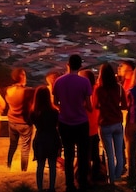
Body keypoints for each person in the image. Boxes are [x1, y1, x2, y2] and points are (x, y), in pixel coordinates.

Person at [53, 54, 92, 192]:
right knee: (82, 154)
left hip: (64, 122)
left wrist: (64, 108)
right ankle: (83, 183)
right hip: (81, 122)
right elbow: (89, 106)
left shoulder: (58, 81)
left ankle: (69, 185)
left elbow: (55, 103)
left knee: (68, 155)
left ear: (67, 64)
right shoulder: (85, 82)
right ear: (80, 66)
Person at [93, 63, 127, 185]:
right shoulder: (119, 88)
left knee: (109, 154)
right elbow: (124, 105)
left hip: (105, 123)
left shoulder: (98, 89)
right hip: (117, 122)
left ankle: (111, 179)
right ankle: (118, 176)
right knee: (119, 152)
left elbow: (95, 105)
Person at [30, 86, 61, 192]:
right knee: (52, 165)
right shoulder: (54, 112)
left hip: (40, 139)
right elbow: (58, 125)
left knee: (40, 165)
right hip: (52, 137)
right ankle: (52, 187)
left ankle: (40, 188)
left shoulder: (34, 112)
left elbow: (31, 122)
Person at [5, 67, 34, 171]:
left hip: (12, 120)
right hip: (24, 122)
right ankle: (23, 170)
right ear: (21, 76)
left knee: (12, 145)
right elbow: (32, 106)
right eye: (24, 75)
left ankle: (8, 166)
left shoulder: (9, 89)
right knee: (25, 148)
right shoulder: (27, 91)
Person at [78, 69, 103, 183]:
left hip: (85, 126)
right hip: (94, 125)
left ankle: (86, 178)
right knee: (94, 153)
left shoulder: (84, 91)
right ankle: (96, 174)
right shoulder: (97, 89)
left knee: (85, 155)